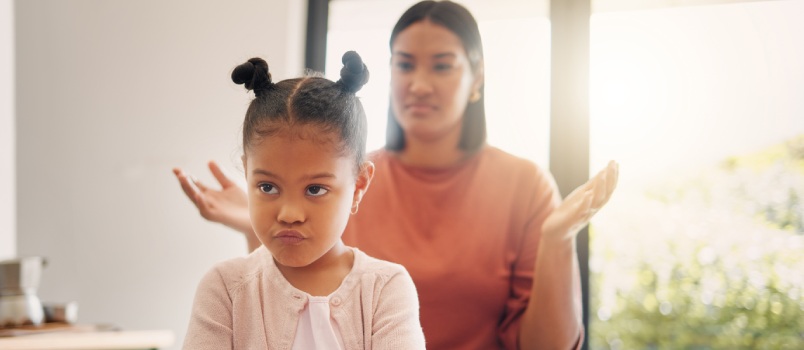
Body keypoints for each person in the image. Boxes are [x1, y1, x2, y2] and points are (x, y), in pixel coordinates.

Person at [174, 1, 618, 349]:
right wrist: (255, 220)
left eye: (441, 65)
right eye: (405, 64)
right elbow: (281, 296)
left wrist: (558, 242)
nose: (419, 83)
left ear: (477, 76)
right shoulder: (333, 174)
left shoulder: (524, 186)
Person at [182, 51, 426, 350]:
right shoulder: (225, 288)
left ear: (359, 184)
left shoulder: (386, 288)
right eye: (268, 187)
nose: (289, 214)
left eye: (315, 190)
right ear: (246, 174)